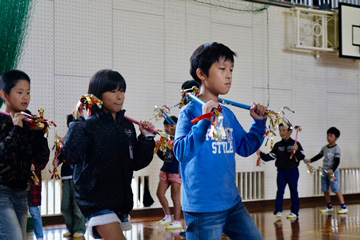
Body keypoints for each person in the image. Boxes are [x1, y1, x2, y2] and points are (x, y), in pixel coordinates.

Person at [174, 42, 267, 239]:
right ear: (202, 74)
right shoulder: (189, 112)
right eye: (222, 69)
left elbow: (244, 147)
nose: (229, 75)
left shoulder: (227, 113)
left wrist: (258, 124)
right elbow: (181, 152)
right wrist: (203, 122)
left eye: (231, 69)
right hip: (203, 208)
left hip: (232, 202)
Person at [62, 69, 156, 240]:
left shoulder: (127, 126)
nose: (119, 96)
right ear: (97, 95)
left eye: (121, 91)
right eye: (112, 91)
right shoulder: (87, 125)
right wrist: (77, 122)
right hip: (95, 202)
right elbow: (70, 155)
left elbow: (136, 162)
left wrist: (146, 138)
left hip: (121, 203)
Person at [0, 70, 50, 240]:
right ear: (4, 95)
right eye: (19, 92)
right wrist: (16, 129)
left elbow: (42, 158)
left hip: (22, 191)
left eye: (28, 92)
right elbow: (4, 156)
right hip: (2, 193)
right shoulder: (1, 120)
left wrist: (40, 134)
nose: (25, 97)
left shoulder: (29, 120)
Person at [257, 123, 305, 220]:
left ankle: (294, 212)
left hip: (292, 171)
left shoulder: (295, 144)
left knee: (294, 191)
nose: (281, 132)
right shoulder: (278, 145)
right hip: (281, 172)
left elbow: (301, 157)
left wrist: (297, 151)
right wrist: (260, 154)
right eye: (280, 130)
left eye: (284, 130)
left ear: (290, 132)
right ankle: (278, 210)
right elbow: (269, 157)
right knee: (280, 191)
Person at [53, 114, 86, 238]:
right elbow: (62, 156)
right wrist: (57, 161)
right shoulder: (66, 139)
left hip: (78, 176)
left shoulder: (81, 137)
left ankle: (80, 229)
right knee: (65, 205)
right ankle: (71, 228)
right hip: (65, 176)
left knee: (77, 205)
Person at [305, 127, 348, 214]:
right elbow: (319, 156)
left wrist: (333, 169)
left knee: (335, 188)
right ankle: (329, 206)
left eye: (331, 136)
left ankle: (343, 206)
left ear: (336, 138)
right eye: (327, 135)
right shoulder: (325, 148)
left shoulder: (337, 149)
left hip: (332, 172)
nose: (328, 138)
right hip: (324, 171)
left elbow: (337, 160)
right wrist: (310, 160)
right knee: (324, 189)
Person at [156, 116, 182, 230]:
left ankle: (177, 221)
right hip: (165, 170)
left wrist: (174, 147)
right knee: (159, 194)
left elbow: (181, 156)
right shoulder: (165, 139)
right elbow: (165, 157)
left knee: (175, 197)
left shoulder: (179, 138)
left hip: (176, 172)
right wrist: (158, 149)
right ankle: (167, 215)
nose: (168, 128)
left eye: (171, 126)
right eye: (166, 126)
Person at [28, 162, 47, 240]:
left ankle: (40, 237)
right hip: (19, 185)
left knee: (35, 212)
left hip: (33, 186)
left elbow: (44, 160)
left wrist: (35, 166)